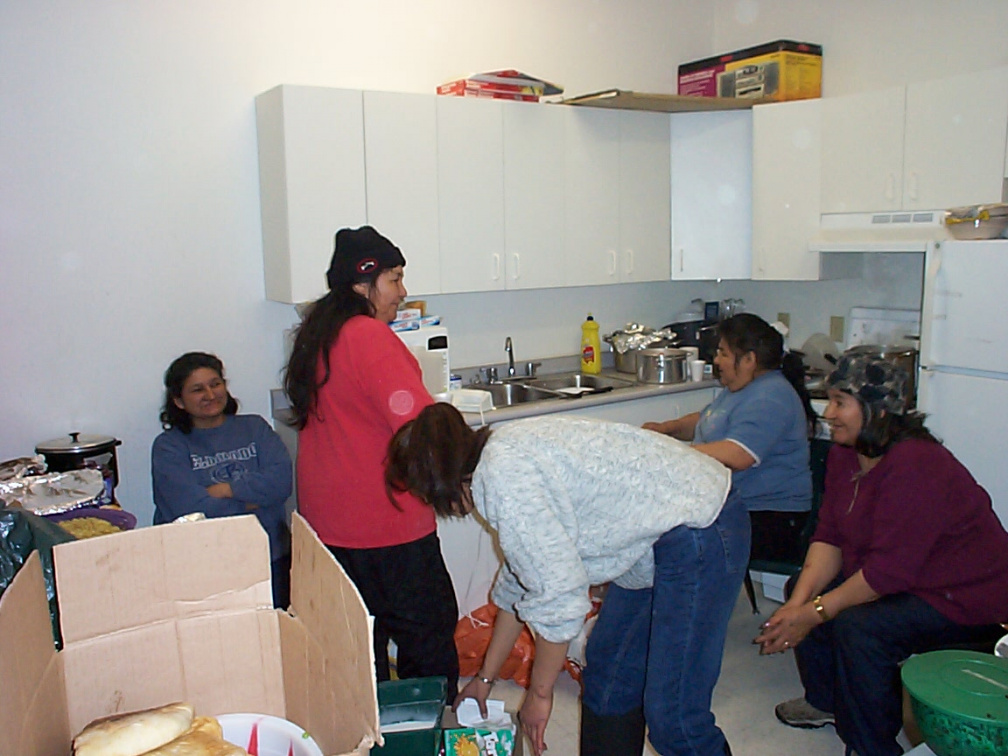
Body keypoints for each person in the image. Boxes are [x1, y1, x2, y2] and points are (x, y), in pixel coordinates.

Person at [385, 403, 748, 756]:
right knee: (608, 678)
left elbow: (560, 599)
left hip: (702, 525)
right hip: (661, 532)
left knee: (674, 717)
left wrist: (539, 695)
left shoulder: (502, 476)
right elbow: (521, 585)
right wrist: (483, 680)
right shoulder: (499, 458)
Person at [754, 353, 1008, 756]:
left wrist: (813, 613)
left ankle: (871, 745)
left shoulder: (916, 463)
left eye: (840, 402)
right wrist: (800, 606)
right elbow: (830, 536)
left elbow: (887, 575)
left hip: (967, 598)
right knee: (798, 589)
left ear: (880, 409)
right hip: (911, 580)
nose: (829, 413)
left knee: (861, 627)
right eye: (830, 400)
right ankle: (827, 702)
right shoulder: (845, 452)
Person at [282, 225, 459, 693]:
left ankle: (371, 735)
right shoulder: (370, 337)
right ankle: (429, 733)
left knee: (358, 653)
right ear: (364, 283)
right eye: (395, 279)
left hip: (331, 529)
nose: (403, 292)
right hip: (387, 525)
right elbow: (421, 427)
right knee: (430, 644)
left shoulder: (318, 338)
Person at [644, 313, 816, 565]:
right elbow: (710, 419)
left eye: (723, 353)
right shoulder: (741, 389)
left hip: (770, 518)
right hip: (735, 507)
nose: (716, 360)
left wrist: (674, 453)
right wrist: (667, 429)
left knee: (669, 542)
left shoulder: (771, 396)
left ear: (749, 359)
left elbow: (738, 455)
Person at [152, 351, 294, 608]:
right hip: (201, 563)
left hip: (269, 555)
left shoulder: (255, 427)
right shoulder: (168, 447)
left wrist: (226, 489)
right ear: (179, 401)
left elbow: (281, 482)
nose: (210, 395)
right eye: (197, 390)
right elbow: (188, 510)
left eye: (216, 384)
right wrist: (253, 503)